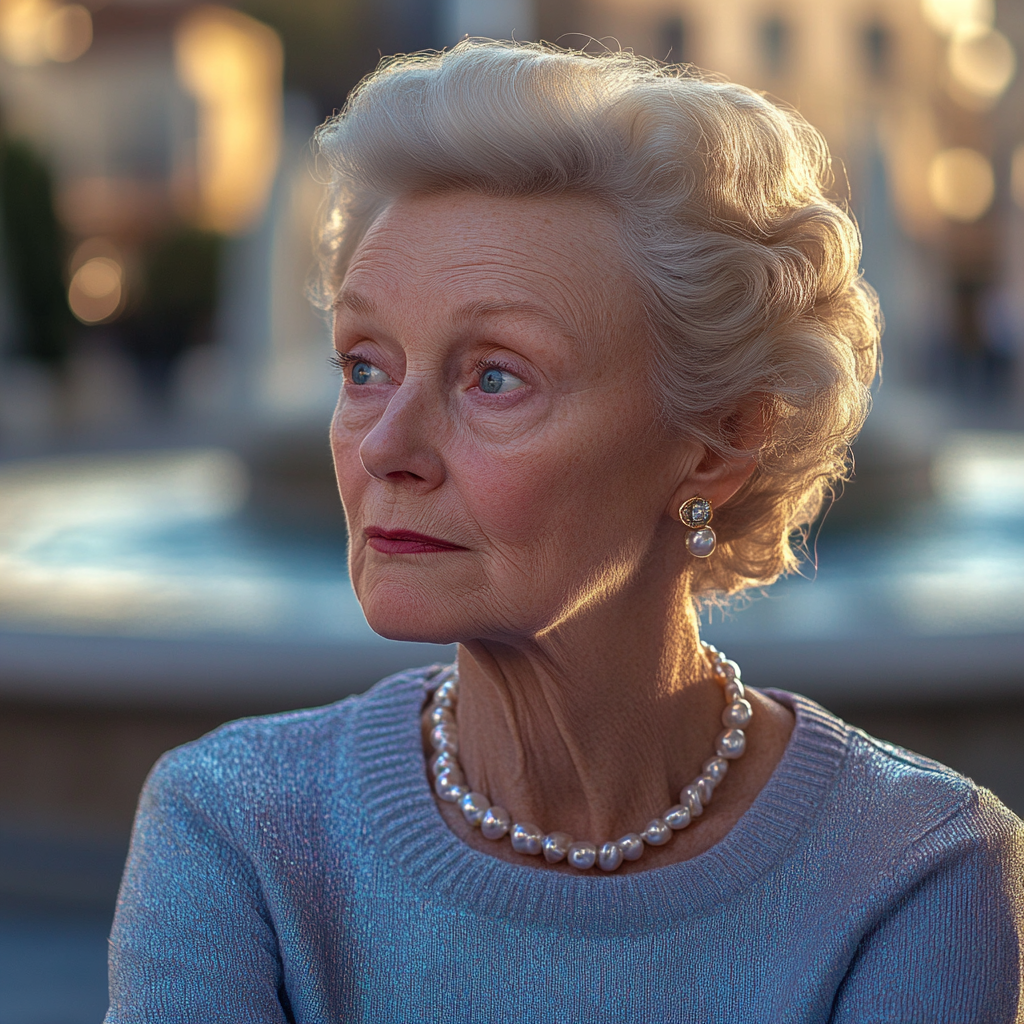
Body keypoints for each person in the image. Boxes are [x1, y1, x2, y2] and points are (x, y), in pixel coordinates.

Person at [105, 41, 1024, 1022]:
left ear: (719, 441)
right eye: (364, 364)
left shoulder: (918, 872)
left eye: (495, 375)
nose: (385, 448)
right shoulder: (231, 827)